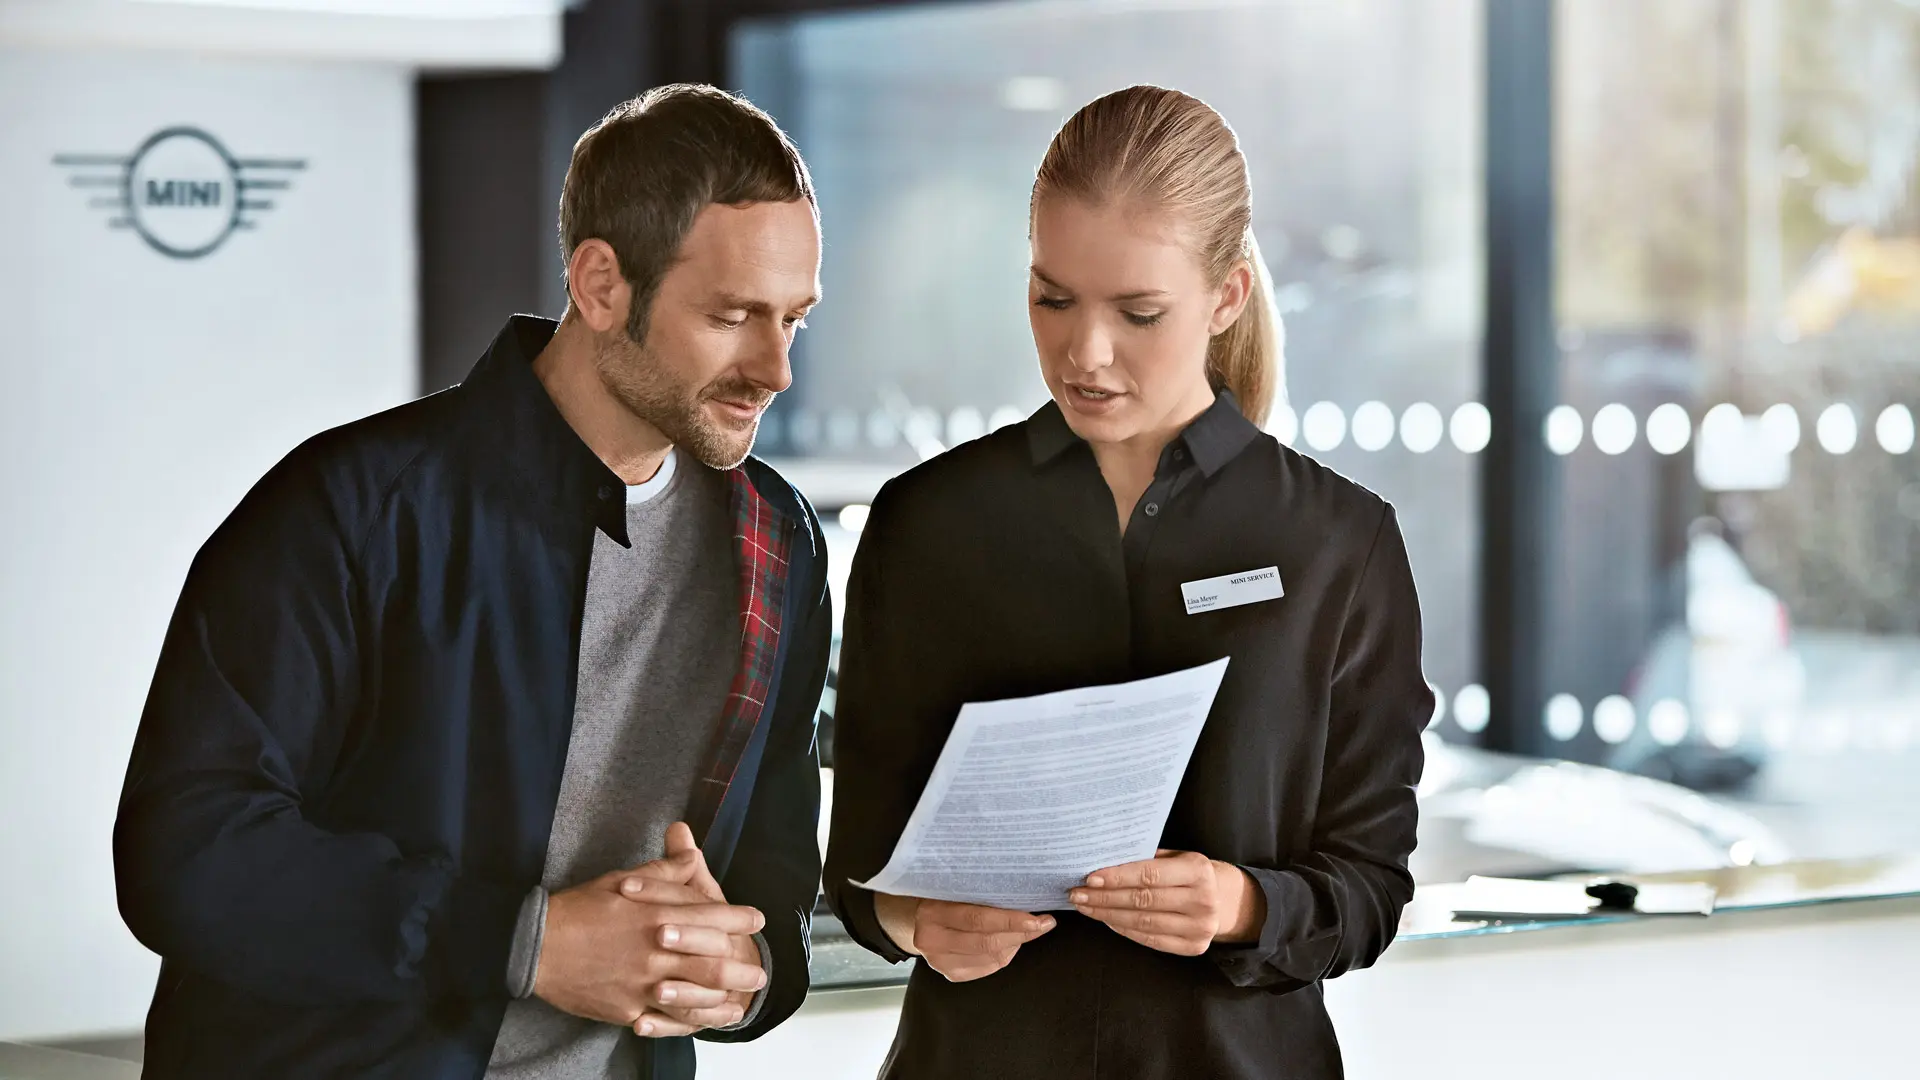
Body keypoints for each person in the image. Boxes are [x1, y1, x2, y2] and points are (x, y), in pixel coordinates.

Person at [114, 84, 832, 1080]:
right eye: (733, 316)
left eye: (794, 318)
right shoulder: (350, 508)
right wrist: (522, 941)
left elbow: (778, 856)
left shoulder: (775, 537)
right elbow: (185, 854)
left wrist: (750, 966)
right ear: (601, 285)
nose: (776, 367)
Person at [823, 84, 1432, 1078]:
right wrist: (915, 919)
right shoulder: (927, 525)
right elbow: (857, 864)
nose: (1085, 353)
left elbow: (1369, 884)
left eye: (1138, 312)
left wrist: (1242, 905)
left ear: (1227, 295)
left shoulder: (1339, 541)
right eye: (1052, 297)